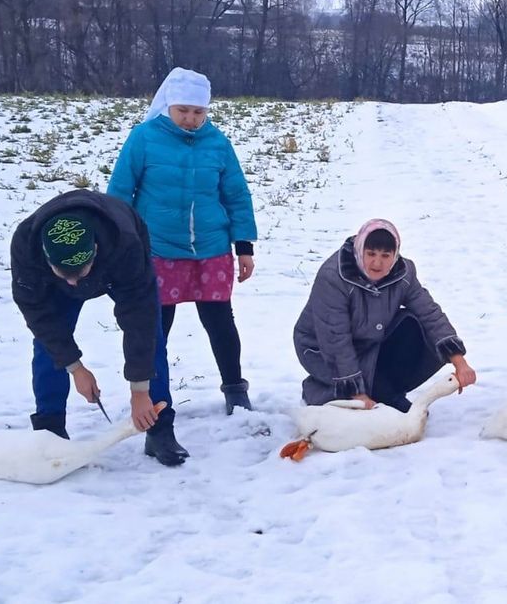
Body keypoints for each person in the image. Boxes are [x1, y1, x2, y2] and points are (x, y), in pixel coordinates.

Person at [108, 67, 258, 416]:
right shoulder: (144, 138)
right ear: (169, 106)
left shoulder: (218, 143)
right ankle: (154, 393)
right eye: (184, 111)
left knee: (220, 321)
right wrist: (120, 242)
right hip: (158, 248)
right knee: (157, 326)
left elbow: (236, 194)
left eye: (198, 112)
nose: (191, 119)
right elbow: (119, 192)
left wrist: (244, 247)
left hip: (211, 249)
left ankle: (235, 387)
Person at [10, 189, 187, 466]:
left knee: (152, 337)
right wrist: (75, 367)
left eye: (79, 273)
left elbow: (140, 320)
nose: (73, 284)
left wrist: (140, 391)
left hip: (117, 265)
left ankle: (159, 427)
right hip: (57, 281)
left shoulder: (125, 243)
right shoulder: (26, 246)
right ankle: (49, 431)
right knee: (48, 344)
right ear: (46, 259)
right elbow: (40, 317)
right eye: (63, 274)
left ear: (94, 250)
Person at [293, 219, 477, 410]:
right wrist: (358, 395)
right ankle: (333, 391)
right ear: (359, 249)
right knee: (357, 390)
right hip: (321, 349)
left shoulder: (404, 274)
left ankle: (387, 390)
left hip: (369, 340)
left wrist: (459, 361)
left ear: (395, 255)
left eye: (385, 255)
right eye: (371, 254)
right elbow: (335, 339)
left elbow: (429, 313)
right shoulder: (333, 277)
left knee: (413, 325)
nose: (377, 262)